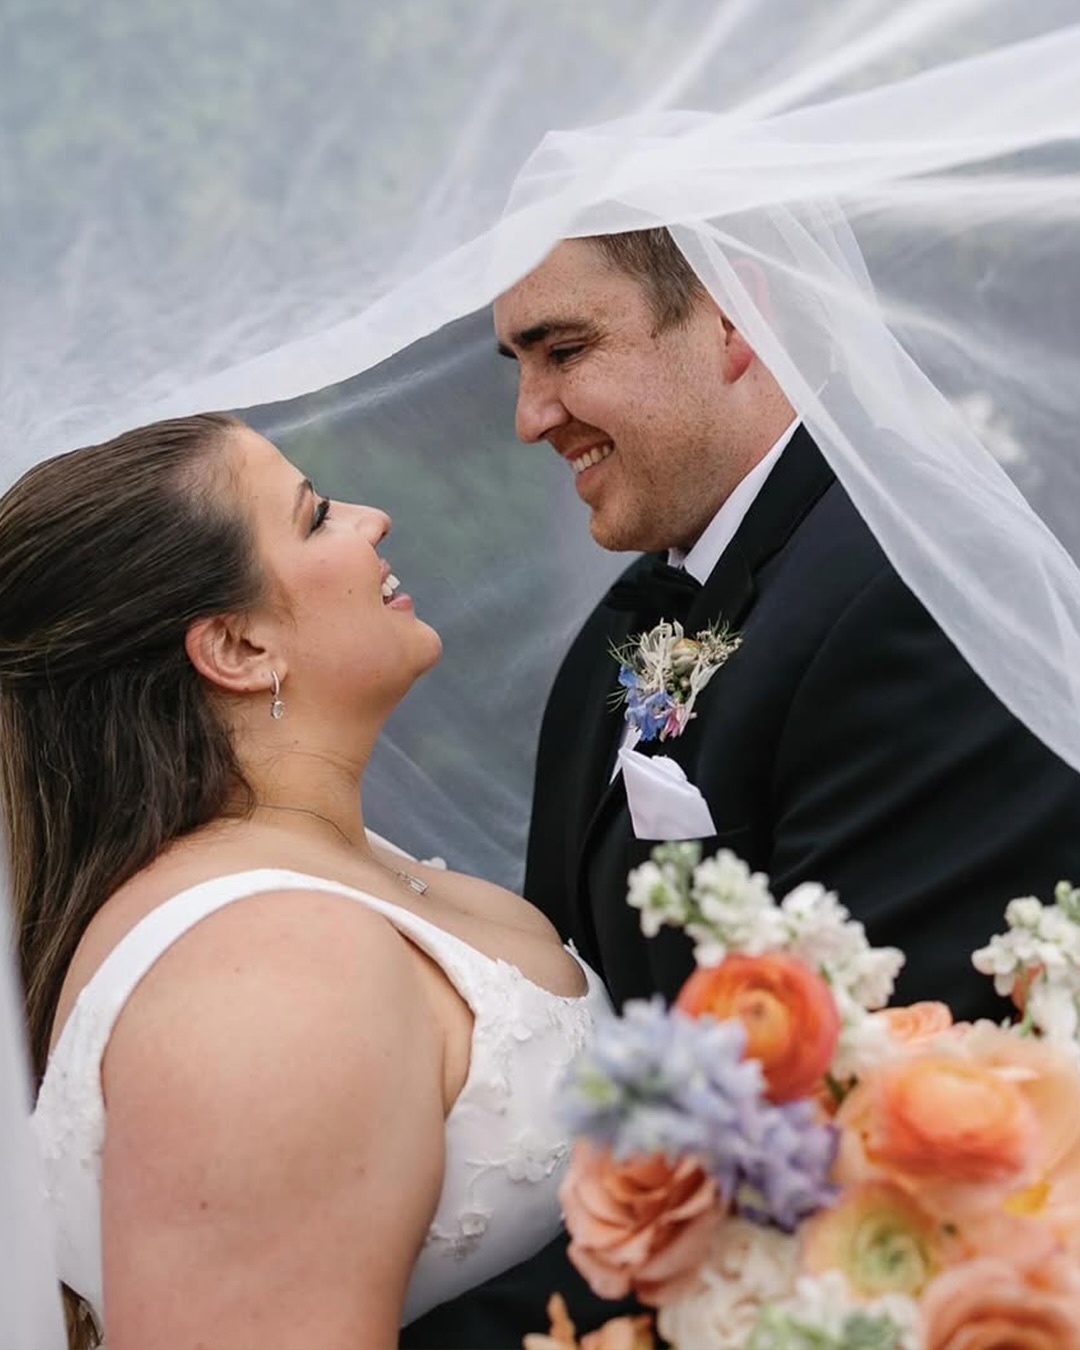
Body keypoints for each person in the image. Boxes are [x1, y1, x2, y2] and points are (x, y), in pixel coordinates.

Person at [0, 412, 610, 1350]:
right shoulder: (260, 967)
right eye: (316, 515)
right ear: (239, 649)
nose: (372, 520)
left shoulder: (337, 869)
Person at [489, 227, 1080, 1019]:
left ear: (731, 320)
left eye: (564, 351)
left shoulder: (899, 600)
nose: (530, 417)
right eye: (520, 367)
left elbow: (886, 1049)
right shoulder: (638, 608)